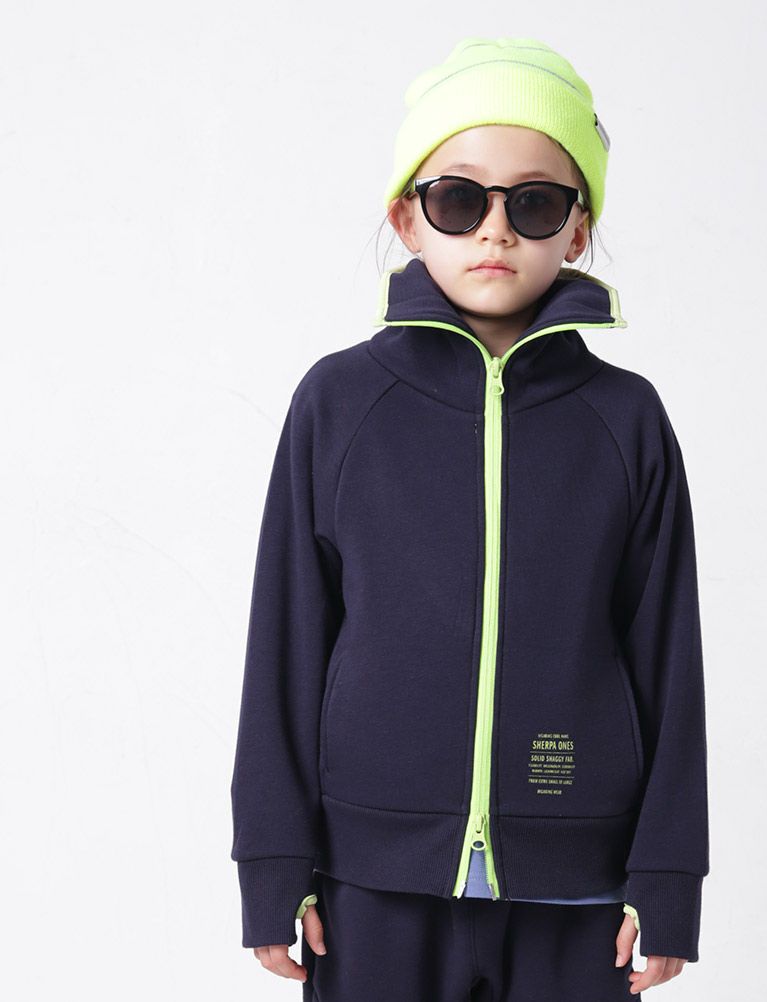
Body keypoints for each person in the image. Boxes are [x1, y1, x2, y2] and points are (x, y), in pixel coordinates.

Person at [230, 36, 709, 1000]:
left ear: (577, 230)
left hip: (577, 889)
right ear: (408, 217)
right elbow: (287, 638)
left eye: (533, 204)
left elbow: (666, 655)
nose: (495, 232)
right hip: (371, 886)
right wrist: (272, 861)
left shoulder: (626, 421)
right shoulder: (339, 404)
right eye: (459, 200)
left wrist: (668, 877)